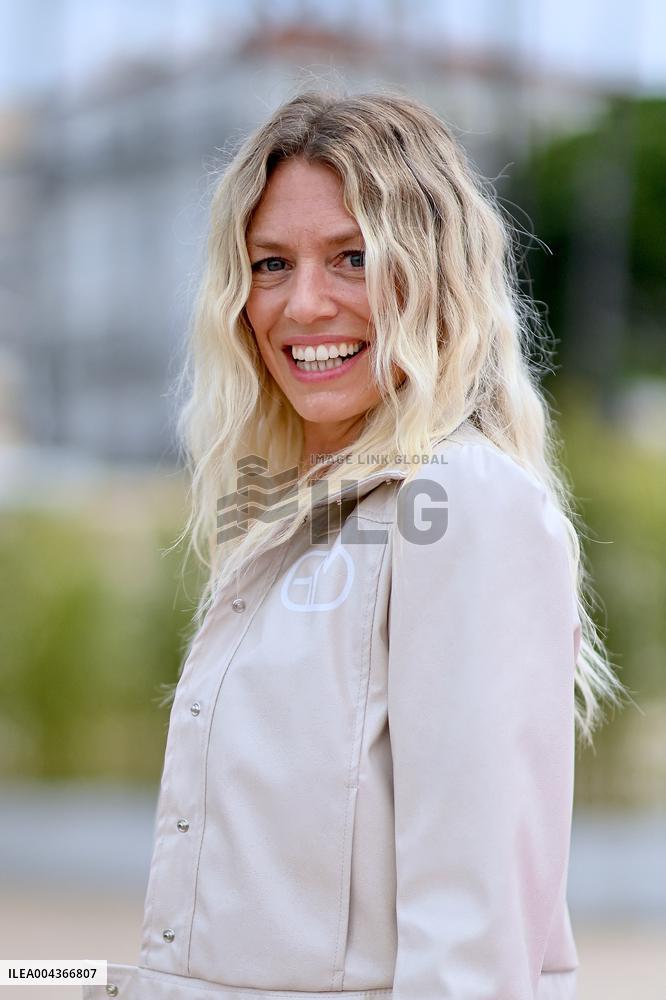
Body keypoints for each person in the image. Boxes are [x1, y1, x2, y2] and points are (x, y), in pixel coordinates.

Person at [83, 89, 625, 1000]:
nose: (303, 305)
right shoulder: (281, 519)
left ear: (434, 275)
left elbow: (470, 943)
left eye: (353, 257)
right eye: (270, 264)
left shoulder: (462, 503)